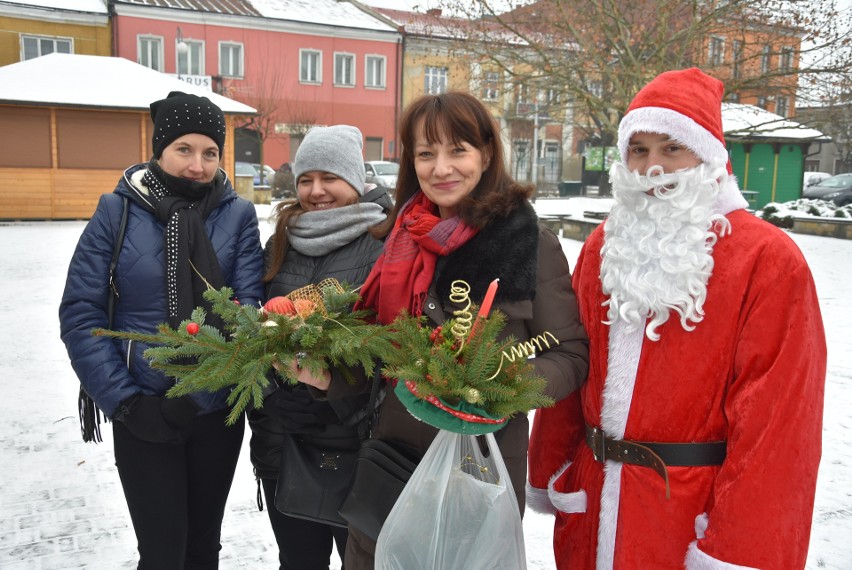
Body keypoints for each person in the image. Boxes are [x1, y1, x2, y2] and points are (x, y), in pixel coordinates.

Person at [527, 68, 827, 569]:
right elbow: (574, 365)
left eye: (671, 148)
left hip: (687, 521)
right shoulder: (605, 244)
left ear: (709, 157)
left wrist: (736, 549)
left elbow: (778, 425)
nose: (653, 168)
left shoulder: (767, 259)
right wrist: (551, 469)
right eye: (639, 151)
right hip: (592, 507)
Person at [333, 91, 589, 569]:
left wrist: (501, 385)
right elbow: (374, 349)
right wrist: (325, 373)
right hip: (391, 457)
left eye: (458, 150)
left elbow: (569, 355)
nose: (441, 168)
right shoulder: (396, 237)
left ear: (486, 154)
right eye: (426, 153)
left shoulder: (528, 243)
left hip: (479, 464)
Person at [59, 91, 265, 569]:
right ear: (159, 151)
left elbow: (250, 305)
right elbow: (81, 314)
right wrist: (127, 403)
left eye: (210, 152)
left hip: (215, 412)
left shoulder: (237, 216)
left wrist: (218, 377)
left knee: (202, 548)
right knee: (161, 552)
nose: (197, 164)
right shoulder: (118, 212)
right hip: (142, 412)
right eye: (184, 149)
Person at [249, 125, 392, 570]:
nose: (316, 191)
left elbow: (392, 343)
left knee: (364, 561)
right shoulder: (281, 241)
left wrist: (334, 395)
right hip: (285, 440)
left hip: (356, 444)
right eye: (305, 179)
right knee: (297, 560)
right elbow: (253, 329)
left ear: (355, 179)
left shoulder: (383, 243)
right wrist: (273, 398)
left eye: (329, 177)